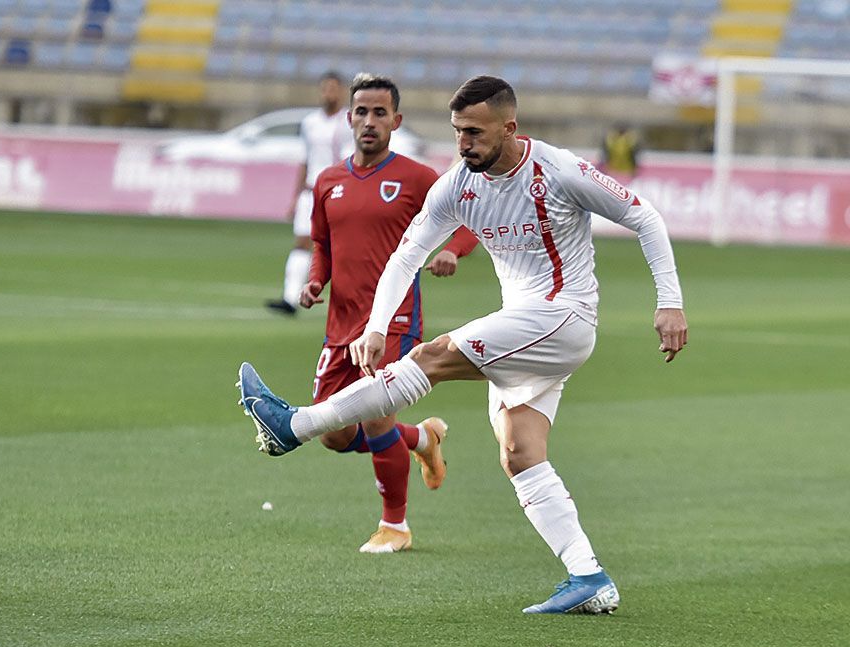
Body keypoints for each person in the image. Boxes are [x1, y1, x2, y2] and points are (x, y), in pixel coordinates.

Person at [239, 76, 688, 614]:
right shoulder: (458, 184)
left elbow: (644, 216)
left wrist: (670, 303)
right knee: (520, 453)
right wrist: (377, 325)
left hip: (563, 316)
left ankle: (295, 426)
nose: (464, 143)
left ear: (509, 127)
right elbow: (407, 255)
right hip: (524, 325)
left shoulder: (558, 171)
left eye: (475, 132)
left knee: (429, 356)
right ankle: (587, 575)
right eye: (457, 132)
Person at [299, 73, 479, 552]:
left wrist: (452, 253)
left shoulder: (418, 178)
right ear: (349, 117)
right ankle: (420, 439)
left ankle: (394, 526)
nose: (370, 121)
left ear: (396, 121)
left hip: (394, 322)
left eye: (380, 113)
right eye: (362, 112)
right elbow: (322, 242)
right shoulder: (328, 181)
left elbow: (470, 221)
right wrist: (318, 278)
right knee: (332, 434)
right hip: (340, 325)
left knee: (376, 417)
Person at [265, 71, 353, 316]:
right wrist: (295, 197)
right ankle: (290, 299)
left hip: (336, 191)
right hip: (310, 191)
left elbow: (351, 162)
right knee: (302, 242)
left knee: (340, 248)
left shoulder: (348, 123)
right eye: (325, 88)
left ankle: (350, 302)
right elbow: (305, 160)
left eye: (334, 89)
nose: (329, 93)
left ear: (342, 91)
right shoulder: (310, 123)